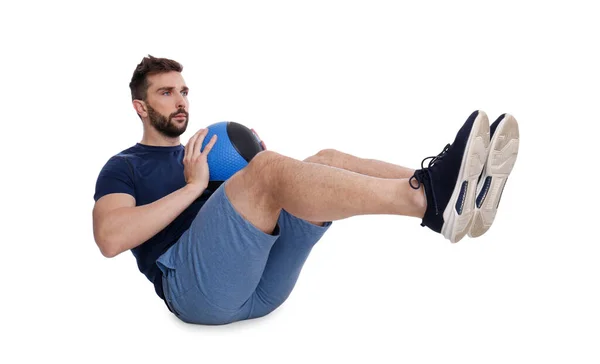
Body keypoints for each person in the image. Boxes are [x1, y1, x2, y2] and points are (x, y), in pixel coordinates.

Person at [92, 55, 520, 325]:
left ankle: (443, 188)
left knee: (324, 158)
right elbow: (110, 239)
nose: (181, 100)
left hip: (262, 281)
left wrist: (256, 161)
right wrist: (197, 187)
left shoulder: (201, 150)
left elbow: (249, 201)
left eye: (184, 91)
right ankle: (430, 200)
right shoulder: (124, 166)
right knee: (270, 170)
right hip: (195, 290)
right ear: (141, 107)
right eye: (166, 93)